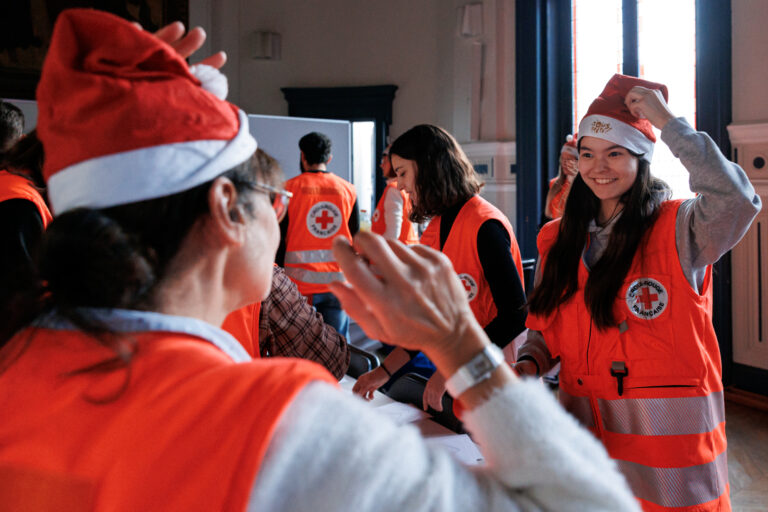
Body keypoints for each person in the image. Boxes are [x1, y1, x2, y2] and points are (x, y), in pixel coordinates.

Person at [0, 10, 643, 511]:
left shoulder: (18, 366)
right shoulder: (272, 424)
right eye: (267, 196)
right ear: (227, 207)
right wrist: (457, 343)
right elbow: (583, 500)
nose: (279, 211)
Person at [517, 73, 761, 512]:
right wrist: (528, 364)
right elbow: (546, 330)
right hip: (586, 442)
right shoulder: (557, 240)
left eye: (615, 153)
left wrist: (668, 123)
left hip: (670, 464)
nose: (598, 167)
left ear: (641, 158)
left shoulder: (680, 228)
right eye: (587, 154)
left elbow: (737, 200)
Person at [354, 124, 527, 412]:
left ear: (429, 167)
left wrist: (455, 372)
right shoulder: (435, 229)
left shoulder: (484, 225)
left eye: (402, 173)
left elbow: (515, 317)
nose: (400, 185)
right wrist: (382, 372)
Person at [222, 149, 349, 379]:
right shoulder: (261, 278)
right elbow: (331, 364)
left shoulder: (294, 186)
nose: (277, 214)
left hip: (302, 279)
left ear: (303, 155)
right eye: (275, 204)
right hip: (335, 280)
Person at [276, 132, 358, 340]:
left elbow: (277, 238)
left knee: (300, 345)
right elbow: (356, 238)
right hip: (338, 283)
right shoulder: (348, 190)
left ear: (302, 156)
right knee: (338, 347)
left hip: (298, 286)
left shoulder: (288, 190)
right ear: (329, 158)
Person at [371, 144, 418, 243]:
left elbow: (392, 235)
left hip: (396, 254)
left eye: (384, 161)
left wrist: (370, 249)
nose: (381, 165)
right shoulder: (407, 188)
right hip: (407, 251)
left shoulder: (394, 190)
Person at [543, 134, 578, 222]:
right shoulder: (554, 183)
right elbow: (547, 215)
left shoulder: (584, 186)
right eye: (563, 159)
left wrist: (575, 178)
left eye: (569, 159)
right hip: (555, 230)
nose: (565, 163)